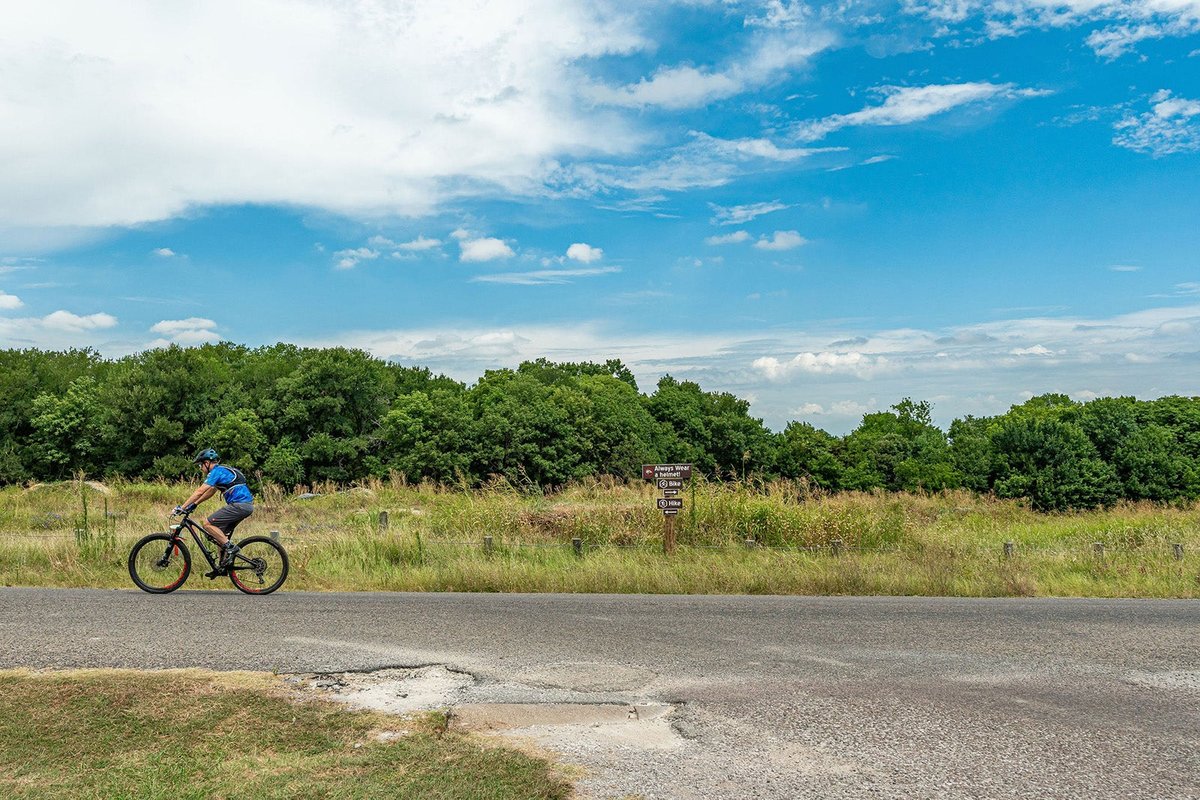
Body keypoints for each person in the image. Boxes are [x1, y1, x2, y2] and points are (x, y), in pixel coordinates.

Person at [174, 448, 254, 569]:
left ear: (207, 463)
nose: (200, 468)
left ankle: (231, 548)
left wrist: (182, 507)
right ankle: (222, 566)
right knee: (219, 534)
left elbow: (200, 491)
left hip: (239, 505)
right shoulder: (222, 471)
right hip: (245, 506)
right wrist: (194, 504)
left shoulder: (216, 472)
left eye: (201, 464)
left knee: (207, 524)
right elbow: (210, 492)